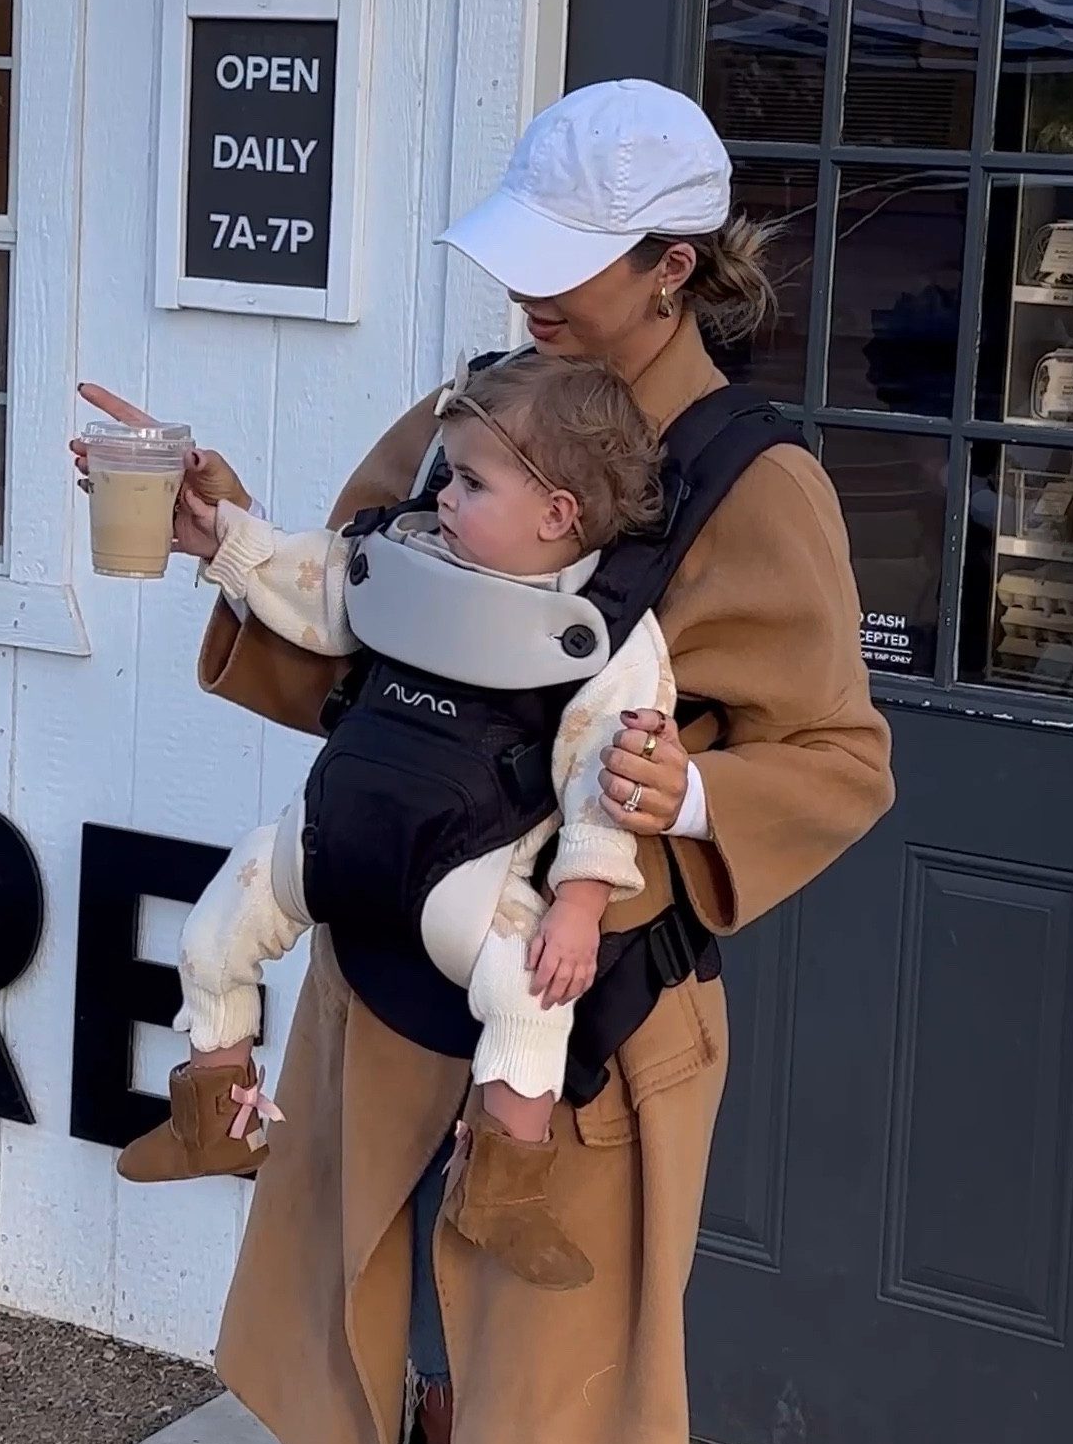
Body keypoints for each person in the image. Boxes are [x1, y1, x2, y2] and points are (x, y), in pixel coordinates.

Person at [85, 78, 892, 1444]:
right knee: (418, 1420)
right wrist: (215, 528)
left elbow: (831, 757)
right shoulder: (487, 403)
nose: (525, 281)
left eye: (567, 251)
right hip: (381, 1001)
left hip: (580, 1054)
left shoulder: (750, 482)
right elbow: (345, 631)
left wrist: (678, 790)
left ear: (669, 264)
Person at [132, 352, 673, 1292]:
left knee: (532, 991)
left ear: (558, 515)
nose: (445, 497)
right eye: (447, 474)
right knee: (218, 926)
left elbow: (604, 778)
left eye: (471, 482)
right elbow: (305, 581)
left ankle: (504, 1191)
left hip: (463, 875)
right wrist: (214, 536)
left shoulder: (605, 636)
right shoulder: (402, 554)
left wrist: (580, 905)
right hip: (326, 837)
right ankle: (214, 1122)